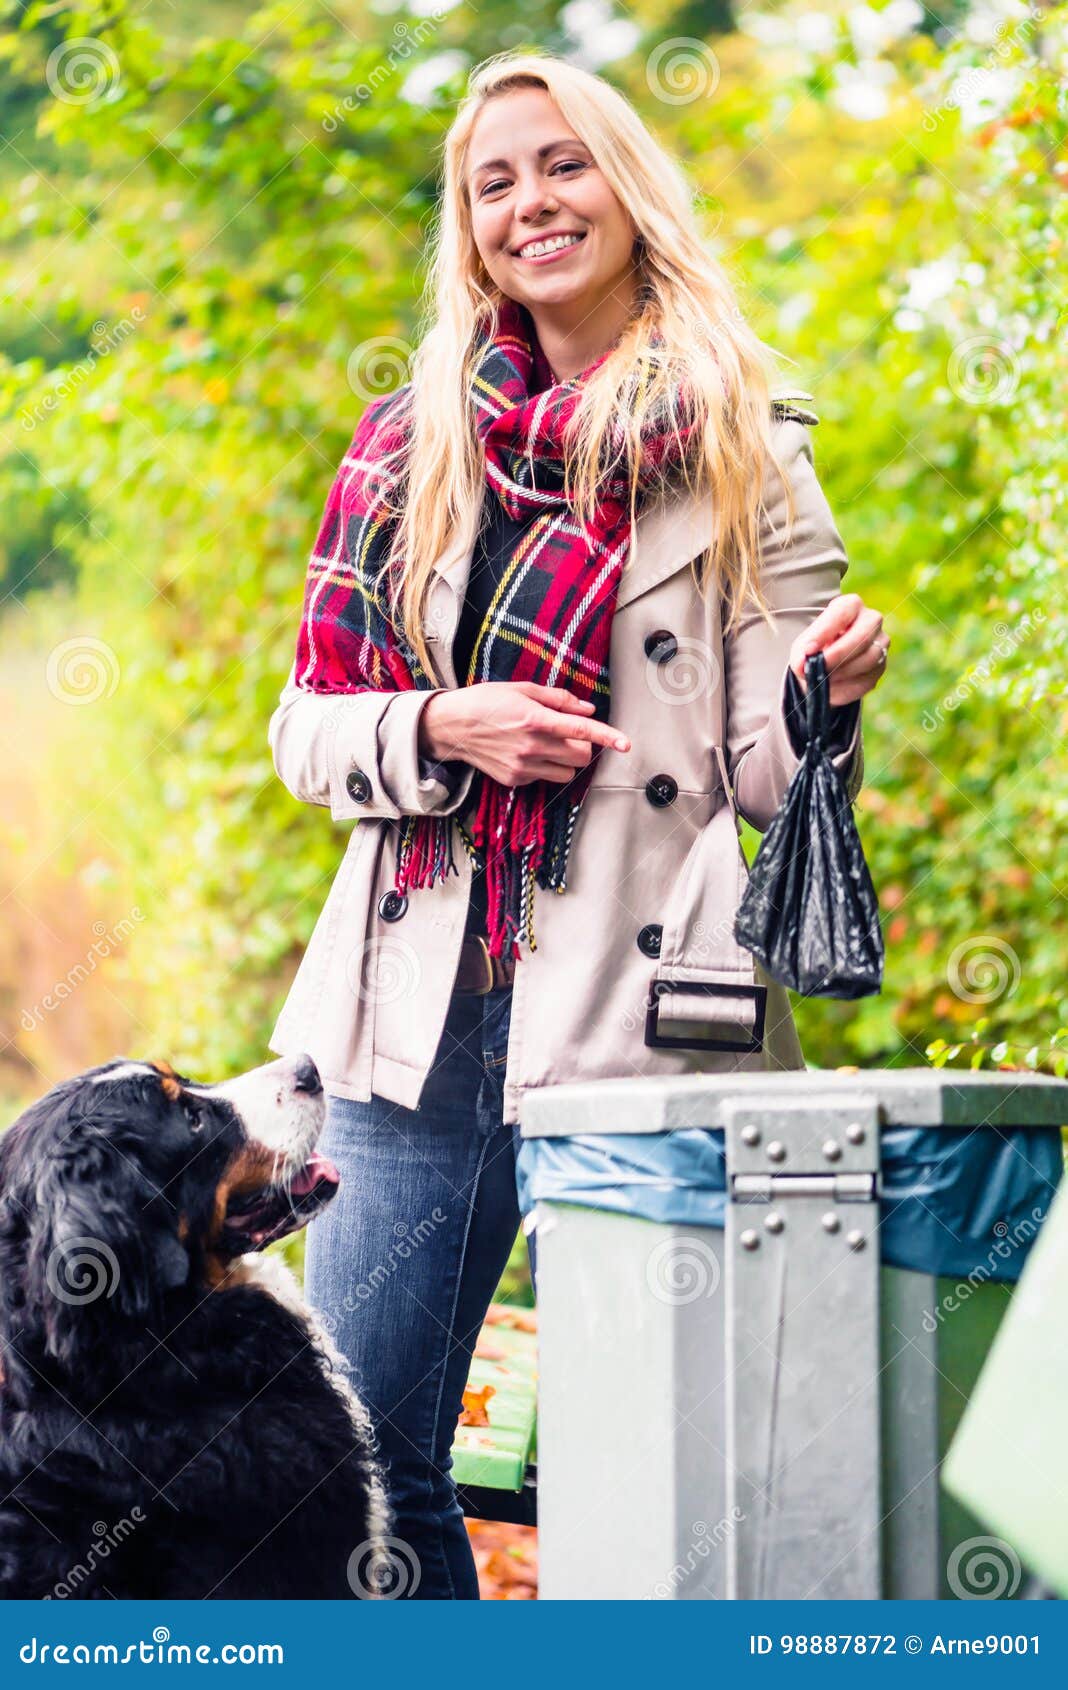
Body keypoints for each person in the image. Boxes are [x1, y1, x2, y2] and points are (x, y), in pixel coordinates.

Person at [266, 49, 891, 1600]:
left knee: (666, 1458)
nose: (532, 203)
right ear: (469, 231)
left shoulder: (749, 442)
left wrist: (829, 704)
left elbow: (764, 779)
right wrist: (438, 726)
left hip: (644, 1012)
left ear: (625, 188)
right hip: (410, 1015)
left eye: (564, 166)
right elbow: (304, 725)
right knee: (362, 1449)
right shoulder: (408, 444)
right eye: (495, 183)